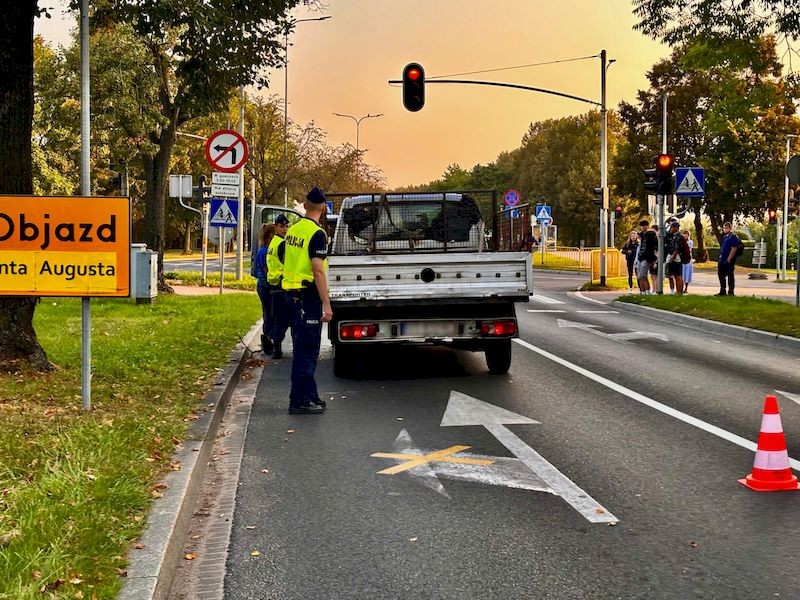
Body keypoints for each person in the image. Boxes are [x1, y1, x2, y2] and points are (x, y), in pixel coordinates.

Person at [281, 187, 333, 415]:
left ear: (304, 205)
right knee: (307, 350)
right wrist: (326, 303)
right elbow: (318, 270)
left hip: (291, 294)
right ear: (323, 207)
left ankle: (309, 395)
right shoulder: (317, 234)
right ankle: (300, 400)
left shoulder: (293, 230)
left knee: (302, 347)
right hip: (307, 296)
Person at [266, 214, 291, 359]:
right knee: (284, 319)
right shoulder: (282, 244)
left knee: (279, 318)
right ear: (275, 227)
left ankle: (276, 346)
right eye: (282, 226)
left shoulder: (273, 243)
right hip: (282, 285)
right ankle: (275, 346)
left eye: (286, 226)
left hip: (274, 284)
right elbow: (288, 264)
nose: (285, 229)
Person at [255, 223, 276, 355]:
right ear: (270, 236)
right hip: (264, 286)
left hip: (265, 286)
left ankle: (269, 339)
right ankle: (267, 340)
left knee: (270, 313)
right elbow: (266, 270)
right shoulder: (264, 251)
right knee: (268, 313)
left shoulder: (266, 249)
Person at [717, 221, 740, 296]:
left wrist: (729, 258)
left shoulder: (733, 236)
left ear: (730, 228)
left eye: (727, 228)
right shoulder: (724, 237)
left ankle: (731, 291)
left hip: (728, 260)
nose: (725, 229)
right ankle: (722, 290)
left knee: (730, 275)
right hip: (722, 259)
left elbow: (734, 248)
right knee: (721, 275)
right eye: (724, 228)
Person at [635, 220, 657, 294]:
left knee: (642, 275)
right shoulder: (641, 234)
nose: (643, 227)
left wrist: (655, 257)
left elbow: (656, 244)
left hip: (647, 257)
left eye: (644, 225)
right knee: (639, 276)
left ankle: (647, 291)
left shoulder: (651, 234)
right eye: (642, 226)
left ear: (647, 226)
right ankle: (642, 291)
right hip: (640, 256)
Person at [665, 220, 684, 295]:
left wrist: (672, 259)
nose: (671, 229)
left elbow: (676, 249)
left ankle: (679, 292)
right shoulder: (674, 236)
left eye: (672, 227)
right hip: (674, 258)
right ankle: (678, 292)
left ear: (676, 228)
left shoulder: (678, 237)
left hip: (676, 259)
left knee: (678, 276)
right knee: (676, 276)